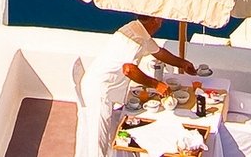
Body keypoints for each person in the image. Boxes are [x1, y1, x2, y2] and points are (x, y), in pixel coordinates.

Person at [76, 15, 198, 157]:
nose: (162, 22)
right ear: (155, 21)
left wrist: (182, 63)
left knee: (106, 138)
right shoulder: (137, 39)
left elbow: (159, 53)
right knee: (97, 144)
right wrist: (156, 85)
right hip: (99, 91)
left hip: (100, 87)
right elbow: (128, 69)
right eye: (160, 19)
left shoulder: (135, 29)